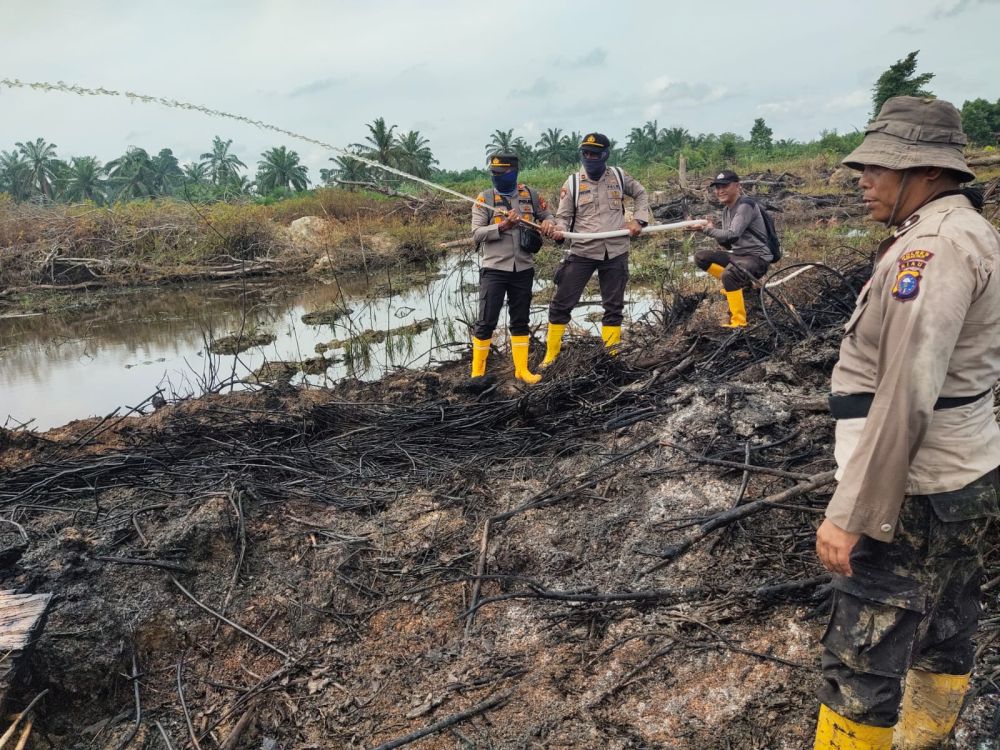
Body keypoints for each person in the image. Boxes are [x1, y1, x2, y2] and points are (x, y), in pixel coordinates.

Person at [813, 96, 1000, 749]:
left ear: (923, 171)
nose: (863, 181)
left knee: (860, 661)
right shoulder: (962, 231)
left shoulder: (935, 249)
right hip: (963, 475)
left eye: (877, 169)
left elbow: (907, 392)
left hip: (916, 490)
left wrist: (855, 511)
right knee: (946, 628)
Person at [542, 133, 649, 365]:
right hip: (583, 251)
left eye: (594, 154)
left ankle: (612, 355)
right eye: (585, 153)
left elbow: (641, 194)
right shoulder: (572, 183)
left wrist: (638, 221)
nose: (589, 158)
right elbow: (563, 217)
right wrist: (558, 230)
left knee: (614, 306)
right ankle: (551, 356)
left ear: (605, 155)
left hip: (616, 250)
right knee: (561, 303)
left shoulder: (619, 176)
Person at [469, 152, 554, 384]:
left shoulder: (530, 195)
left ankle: (521, 370)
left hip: (523, 268)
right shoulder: (484, 198)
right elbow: (476, 233)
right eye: (493, 173)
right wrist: (503, 226)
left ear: (514, 171)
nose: (496, 177)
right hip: (494, 269)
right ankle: (477, 372)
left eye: (501, 173)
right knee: (486, 321)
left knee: (520, 320)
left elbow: (549, 215)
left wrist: (548, 223)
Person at [689, 170, 773, 328]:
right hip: (739, 255)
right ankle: (738, 285)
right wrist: (713, 230)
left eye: (724, 186)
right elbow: (728, 244)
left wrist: (705, 230)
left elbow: (732, 235)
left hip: (757, 258)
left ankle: (739, 322)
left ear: (737, 186)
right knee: (701, 257)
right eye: (717, 187)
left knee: (729, 274)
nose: (720, 191)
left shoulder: (746, 205)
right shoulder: (727, 210)